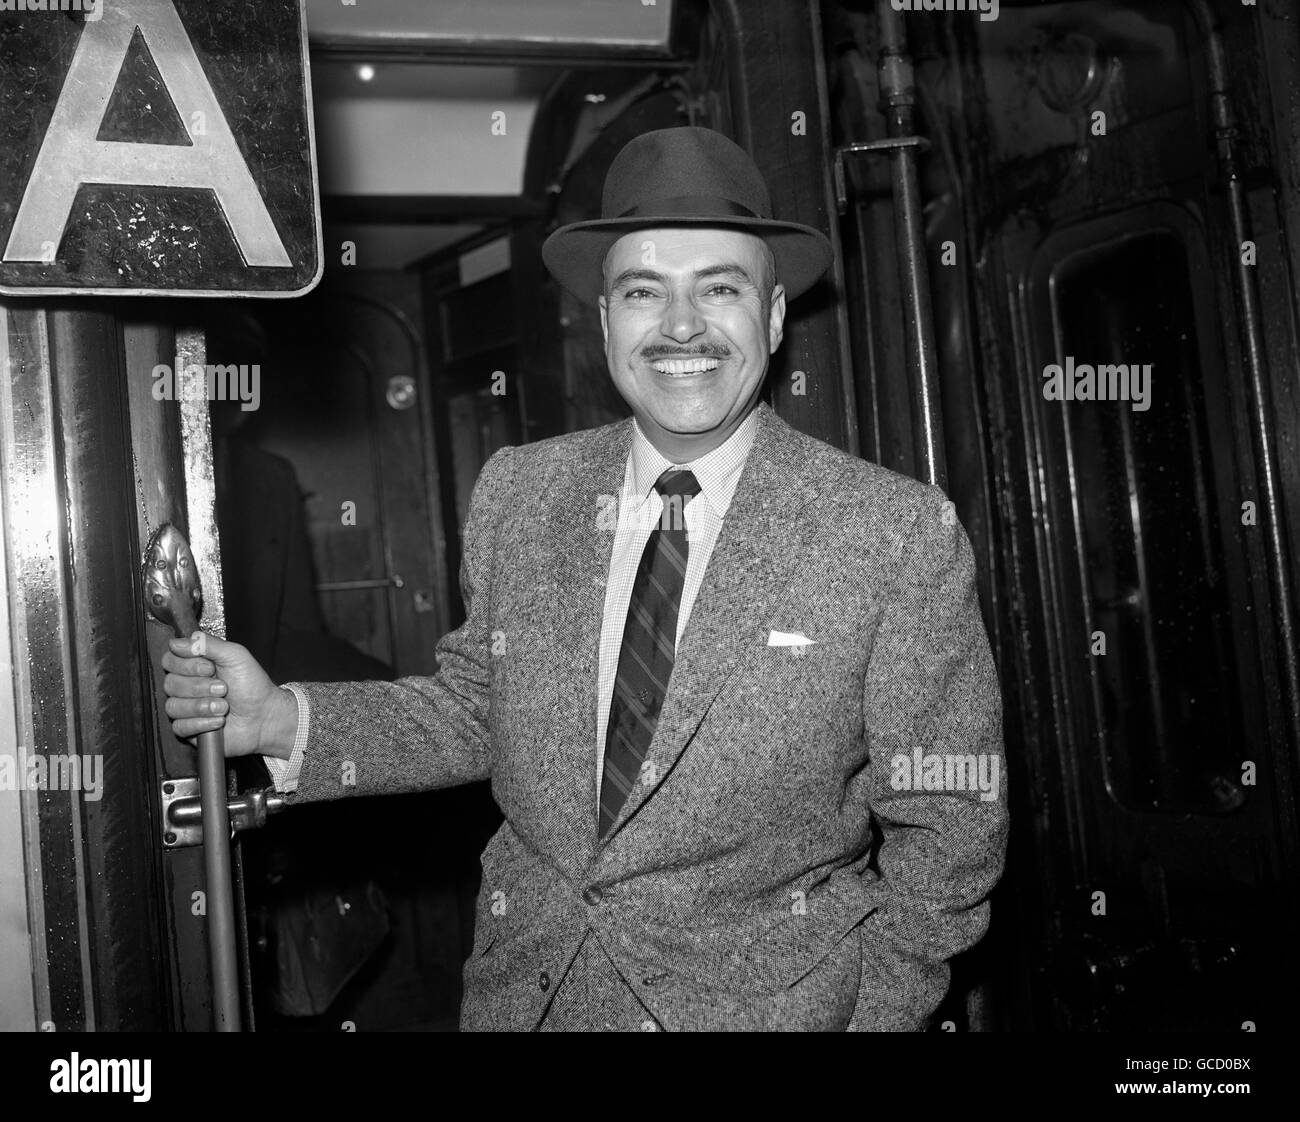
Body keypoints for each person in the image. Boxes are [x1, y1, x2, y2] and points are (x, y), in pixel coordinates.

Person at [162, 126, 1008, 1032]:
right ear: (606, 323)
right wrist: (277, 720)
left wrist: (870, 1017)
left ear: (771, 317)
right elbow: (478, 711)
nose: (681, 326)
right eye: (645, 292)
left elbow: (951, 827)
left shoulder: (889, 532)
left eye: (718, 289)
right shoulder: (523, 492)